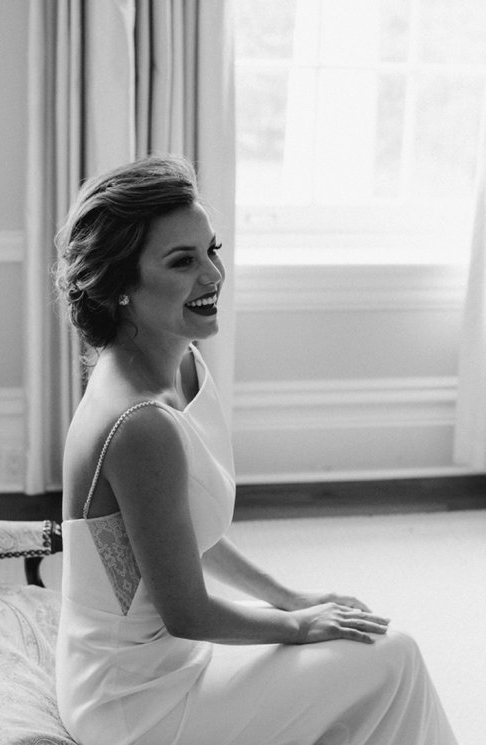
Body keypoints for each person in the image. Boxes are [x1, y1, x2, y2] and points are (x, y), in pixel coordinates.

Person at [52, 156, 457, 745]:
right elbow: (186, 612)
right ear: (119, 287)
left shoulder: (179, 360)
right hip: (133, 699)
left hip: (169, 662)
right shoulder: (140, 424)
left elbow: (180, 533)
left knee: (375, 668)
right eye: (182, 261)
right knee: (392, 656)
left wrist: (290, 596)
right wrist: (295, 624)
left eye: (211, 249)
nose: (213, 274)